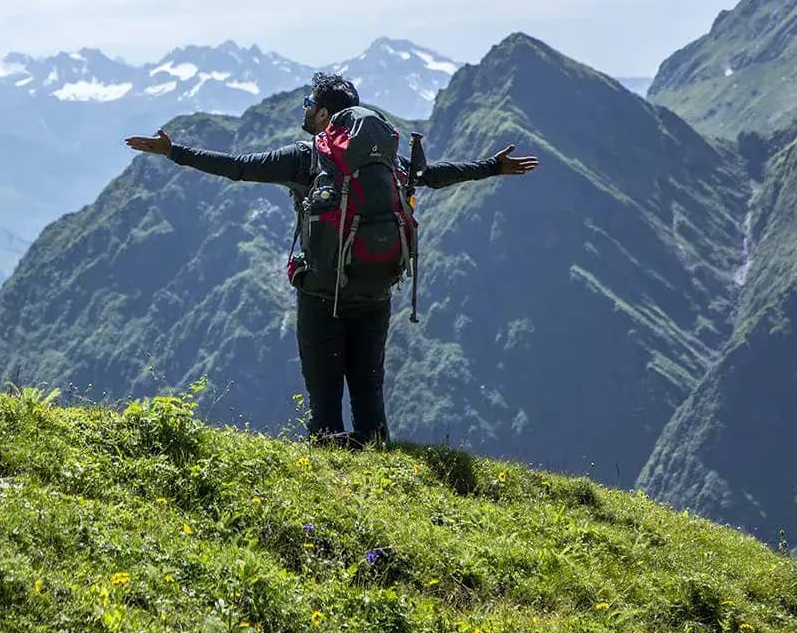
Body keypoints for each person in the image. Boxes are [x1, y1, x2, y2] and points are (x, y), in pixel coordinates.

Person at [124, 71, 537, 449]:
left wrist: (173, 150)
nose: (304, 108)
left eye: (308, 102)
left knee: (324, 400)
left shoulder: (307, 157)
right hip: (376, 288)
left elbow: (237, 168)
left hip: (322, 292)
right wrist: (491, 167)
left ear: (323, 113)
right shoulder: (382, 160)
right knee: (369, 392)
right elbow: (432, 175)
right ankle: (380, 481)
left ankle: (329, 477)